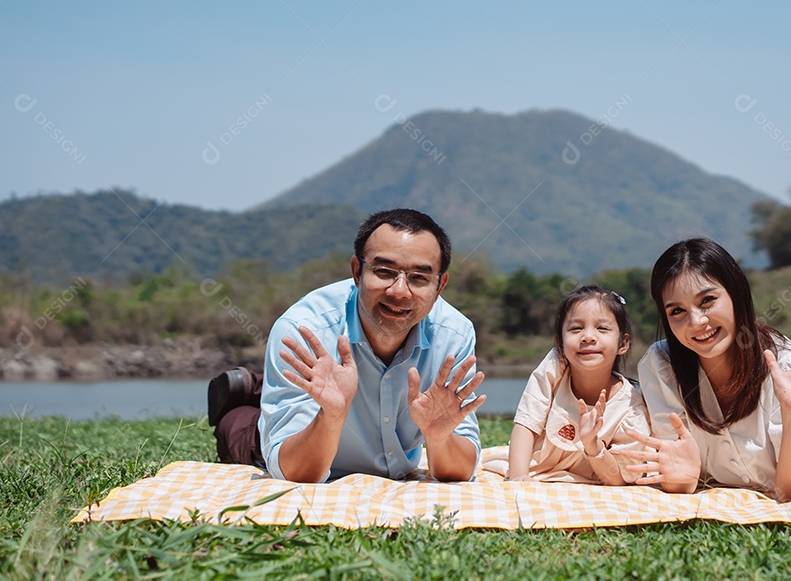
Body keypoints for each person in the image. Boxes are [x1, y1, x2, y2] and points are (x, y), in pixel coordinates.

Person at [208, 208, 486, 484]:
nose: (399, 291)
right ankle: (243, 396)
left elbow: (459, 472)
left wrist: (439, 438)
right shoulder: (303, 330)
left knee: (313, 382)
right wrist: (331, 416)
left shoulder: (453, 335)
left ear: (439, 286)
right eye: (384, 272)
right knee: (240, 429)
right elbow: (294, 472)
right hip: (297, 438)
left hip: (327, 386)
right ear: (357, 271)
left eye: (419, 278)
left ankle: (258, 384)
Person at [622, 238, 791, 501]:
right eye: (677, 311)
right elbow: (681, 480)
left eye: (707, 300)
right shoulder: (660, 366)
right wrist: (681, 478)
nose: (697, 322)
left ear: (736, 293)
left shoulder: (787, 368)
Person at [483, 285, 649, 485]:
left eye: (602, 328)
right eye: (576, 328)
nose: (588, 337)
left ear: (623, 343)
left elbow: (618, 478)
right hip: (532, 469)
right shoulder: (555, 368)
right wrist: (519, 478)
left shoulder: (631, 408)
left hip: (585, 484)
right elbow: (526, 423)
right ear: (561, 343)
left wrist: (592, 444)